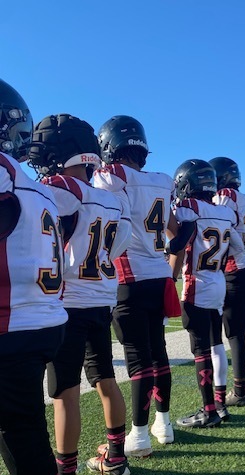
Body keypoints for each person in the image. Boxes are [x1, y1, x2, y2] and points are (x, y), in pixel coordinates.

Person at [29, 114, 132, 475]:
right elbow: (117, 247)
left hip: (68, 303)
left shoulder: (57, 187)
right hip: (101, 299)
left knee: (65, 394)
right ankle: (116, 456)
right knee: (105, 377)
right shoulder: (112, 196)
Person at [0, 79, 74, 475]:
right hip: (43, 317)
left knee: (19, 430)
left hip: (15, 323)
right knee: (18, 426)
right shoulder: (32, 181)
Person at [94, 116, 180, 457]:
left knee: (137, 358)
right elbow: (178, 231)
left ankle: (139, 434)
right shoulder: (161, 181)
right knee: (158, 352)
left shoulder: (110, 177)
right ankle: (164, 424)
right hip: (158, 276)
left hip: (128, 278)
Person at [169, 159, 243, 427]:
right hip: (218, 281)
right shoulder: (225, 212)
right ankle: (220, 403)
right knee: (216, 343)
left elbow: (178, 242)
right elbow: (238, 247)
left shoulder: (189, 207)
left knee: (200, 349)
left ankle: (208, 410)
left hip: (196, 283)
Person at [210, 157, 245, 403]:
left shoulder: (225, 196)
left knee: (235, 334)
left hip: (235, 267)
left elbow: (222, 227)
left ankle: (240, 390)